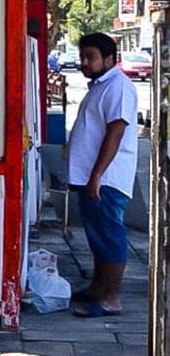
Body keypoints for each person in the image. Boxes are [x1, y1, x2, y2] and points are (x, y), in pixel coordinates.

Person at [66, 32, 138, 318]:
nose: (85, 62)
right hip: (91, 178)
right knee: (97, 236)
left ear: (109, 59)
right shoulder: (100, 85)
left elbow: (115, 133)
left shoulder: (118, 86)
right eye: (83, 57)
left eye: (91, 57)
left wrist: (97, 176)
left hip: (106, 179)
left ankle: (111, 298)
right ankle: (97, 287)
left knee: (110, 236)